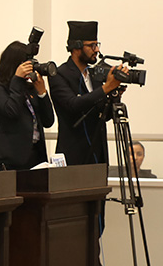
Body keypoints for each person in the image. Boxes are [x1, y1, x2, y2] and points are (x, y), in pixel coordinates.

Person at [50, 21, 128, 167]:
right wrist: (106, 88)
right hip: (74, 155)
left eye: (97, 45)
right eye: (92, 45)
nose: (97, 50)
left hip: (98, 154)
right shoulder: (60, 74)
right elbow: (73, 105)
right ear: (77, 47)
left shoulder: (94, 75)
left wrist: (114, 95)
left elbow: (104, 115)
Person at [0, 41, 55, 170]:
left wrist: (42, 93)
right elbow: (11, 111)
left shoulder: (29, 88)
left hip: (36, 157)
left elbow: (48, 121)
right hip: (11, 160)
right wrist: (17, 80)